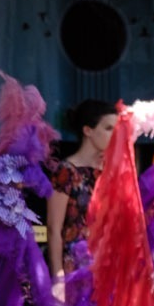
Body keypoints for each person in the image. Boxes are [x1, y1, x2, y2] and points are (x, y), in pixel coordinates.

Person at [45, 100, 118, 283]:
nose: (115, 134)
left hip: (107, 266)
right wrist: (58, 278)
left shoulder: (110, 172)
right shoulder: (66, 171)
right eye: (108, 128)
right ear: (88, 131)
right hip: (76, 267)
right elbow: (54, 228)